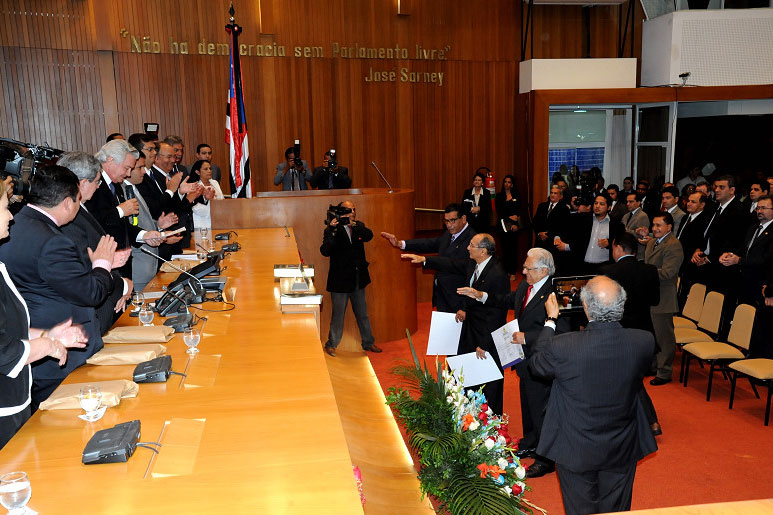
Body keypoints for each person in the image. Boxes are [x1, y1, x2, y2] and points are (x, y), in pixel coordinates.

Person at [530, 276, 657, 515]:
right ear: (622, 305)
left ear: (586, 307)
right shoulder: (643, 341)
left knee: (579, 509)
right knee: (617, 508)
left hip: (575, 444)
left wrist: (550, 320)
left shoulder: (563, 346)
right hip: (622, 442)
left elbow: (537, 365)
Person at [0, 166, 117, 407]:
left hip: (38, 343)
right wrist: (103, 263)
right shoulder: (51, 240)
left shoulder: (21, 222)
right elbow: (90, 293)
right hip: (57, 356)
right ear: (67, 203)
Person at [458, 248, 569, 479]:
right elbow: (506, 300)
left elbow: (564, 330)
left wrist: (527, 337)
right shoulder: (525, 286)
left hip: (542, 359)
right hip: (523, 360)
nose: (523, 271)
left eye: (528, 268)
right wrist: (481, 295)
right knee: (528, 403)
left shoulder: (555, 294)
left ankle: (546, 459)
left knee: (542, 408)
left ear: (544, 270)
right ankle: (531, 441)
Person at [0, 180, 89, 449]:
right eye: (4, 207)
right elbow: (3, 351)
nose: (10, 216)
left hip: (15, 401)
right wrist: (46, 345)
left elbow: (7, 330)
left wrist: (47, 334)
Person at [402, 234, 510, 414]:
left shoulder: (497, 274)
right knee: (466, 373)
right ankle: (468, 414)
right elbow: (451, 264)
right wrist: (425, 260)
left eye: (471, 245)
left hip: (486, 334)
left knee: (489, 381)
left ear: (482, 251)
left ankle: (492, 422)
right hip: (470, 328)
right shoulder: (473, 264)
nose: (467, 248)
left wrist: (485, 344)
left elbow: (497, 314)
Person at [57, 152, 134, 333]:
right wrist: (122, 285)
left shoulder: (81, 209)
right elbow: (83, 267)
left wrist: (111, 260)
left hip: (104, 302)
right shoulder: (70, 217)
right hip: (91, 314)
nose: (98, 187)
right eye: (97, 182)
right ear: (83, 183)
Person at [601, 232, 662, 435]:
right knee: (631, 378)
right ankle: (648, 420)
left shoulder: (608, 271)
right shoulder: (650, 270)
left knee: (629, 379)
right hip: (645, 334)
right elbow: (655, 301)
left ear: (617, 247)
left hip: (619, 334)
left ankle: (650, 421)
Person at [381, 203, 475, 313]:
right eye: (446, 221)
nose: (449, 225)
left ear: (463, 219)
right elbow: (429, 243)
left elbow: (455, 264)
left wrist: (426, 260)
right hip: (443, 295)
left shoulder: (473, 240)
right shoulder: (450, 234)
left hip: (458, 299)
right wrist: (400, 243)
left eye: (452, 220)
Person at [320, 201, 381, 356]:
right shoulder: (332, 229)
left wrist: (354, 225)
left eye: (354, 209)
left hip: (357, 280)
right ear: (341, 212)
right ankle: (331, 344)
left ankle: (368, 342)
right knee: (338, 316)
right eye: (348, 210)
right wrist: (333, 230)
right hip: (340, 282)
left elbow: (369, 235)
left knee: (362, 314)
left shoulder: (358, 226)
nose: (352, 212)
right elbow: (325, 251)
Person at [690, 175, 746, 338]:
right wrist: (699, 250)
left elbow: (735, 241)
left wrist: (710, 257)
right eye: (715, 187)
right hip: (709, 264)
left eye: (721, 187)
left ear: (732, 190)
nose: (717, 190)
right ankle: (707, 338)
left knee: (723, 310)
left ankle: (719, 342)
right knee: (710, 309)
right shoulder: (715, 207)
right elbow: (707, 233)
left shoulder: (739, 210)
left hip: (726, 268)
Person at [645, 213, 684, 385]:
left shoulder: (674, 245)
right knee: (652, 334)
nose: (655, 229)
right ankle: (653, 365)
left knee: (664, 337)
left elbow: (668, 272)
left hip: (664, 297)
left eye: (659, 225)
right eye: (653, 225)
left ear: (669, 227)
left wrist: (644, 272)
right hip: (650, 295)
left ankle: (665, 372)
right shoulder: (652, 242)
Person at [718, 195, 773, 308]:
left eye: (763, 208)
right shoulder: (753, 227)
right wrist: (730, 254)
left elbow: (766, 259)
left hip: (761, 284)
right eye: (758, 208)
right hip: (743, 281)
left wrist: (738, 260)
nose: (759, 211)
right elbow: (744, 249)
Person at [675, 192, 711, 308]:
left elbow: (702, 243)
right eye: (688, 201)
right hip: (680, 260)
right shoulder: (686, 217)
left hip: (692, 264)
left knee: (687, 298)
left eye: (693, 202)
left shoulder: (705, 220)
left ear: (702, 205)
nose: (688, 204)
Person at [533, 185, 570, 265]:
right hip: (540, 242)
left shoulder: (564, 209)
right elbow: (535, 222)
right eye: (551, 193)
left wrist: (548, 235)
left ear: (560, 196)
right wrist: (539, 233)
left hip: (553, 243)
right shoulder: (542, 206)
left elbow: (564, 227)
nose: (552, 195)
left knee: (551, 267)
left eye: (555, 193)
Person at [494, 174, 521, 276]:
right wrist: (510, 217)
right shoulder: (499, 196)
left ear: (512, 184)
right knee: (504, 249)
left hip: (514, 226)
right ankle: (505, 271)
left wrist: (514, 222)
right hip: (502, 225)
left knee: (513, 249)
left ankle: (513, 271)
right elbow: (500, 211)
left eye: (509, 182)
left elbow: (518, 211)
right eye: (505, 182)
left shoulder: (517, 195)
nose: (507, 184)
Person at [188, 160, 225, 230]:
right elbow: (196, 208)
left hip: (219, 221)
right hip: (202, 224)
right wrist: (215, 209)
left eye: (210, 169)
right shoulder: (194, 186)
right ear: (197, 172)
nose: (209, 171)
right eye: (206, 169)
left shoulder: (215, 182)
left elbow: (222, 199)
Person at [622, 192, 650, 260]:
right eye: (627, 201)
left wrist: (625, 230)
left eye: (631, 202)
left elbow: (642, 236)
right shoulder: (626, 216)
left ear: (638, 202)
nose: (628, 204)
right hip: (626, 251)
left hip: (638, 254)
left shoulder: (643, 216)